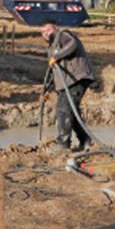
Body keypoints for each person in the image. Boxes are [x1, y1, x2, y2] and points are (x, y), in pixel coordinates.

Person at [41, 22, 96, 152]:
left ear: (54, 28)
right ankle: (85, 140)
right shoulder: (52, 47)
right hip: (69, 82)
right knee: (71, 111)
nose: (46, 34)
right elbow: (54, 71)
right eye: (43, 32)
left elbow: (73, 44)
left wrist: (56, 56)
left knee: (63, 108)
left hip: (77, 79)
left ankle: (63, 144)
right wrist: (47, 90)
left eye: (48, 30)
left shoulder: (63, 35)